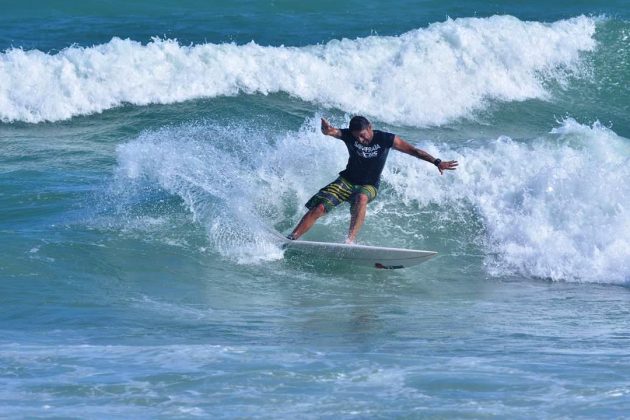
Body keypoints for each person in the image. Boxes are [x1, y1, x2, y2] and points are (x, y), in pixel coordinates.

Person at [288, 116, 458, 243]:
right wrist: (326, 130)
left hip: (369, 185)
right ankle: (292, 238)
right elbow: (332, 132)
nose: (361, 140)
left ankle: (349, 242)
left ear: (370, 127)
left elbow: (413, 151)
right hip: (346, 180)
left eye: (363, 135)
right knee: (319, 207)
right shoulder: (349, 135)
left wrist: (437, 162)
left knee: (362, 198)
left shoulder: (385, 139)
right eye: (357, 137)